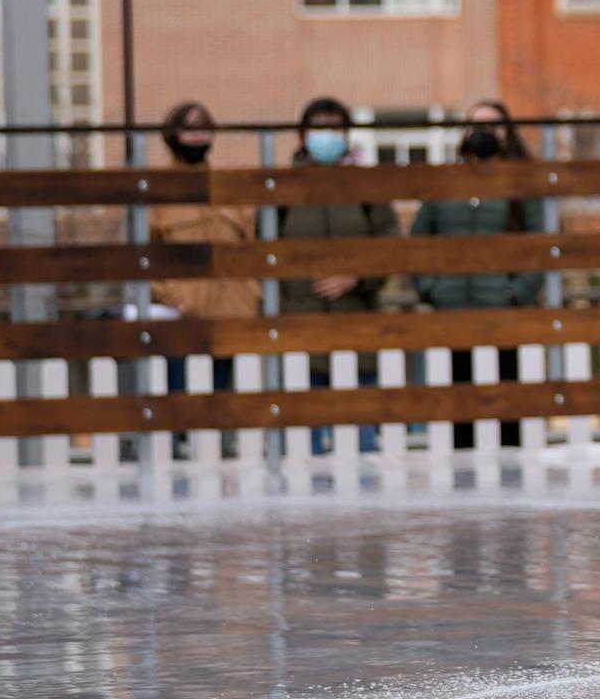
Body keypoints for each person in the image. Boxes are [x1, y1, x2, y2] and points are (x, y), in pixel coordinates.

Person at [408, 101, 544, 449]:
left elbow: (539, 246)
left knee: (508, 399)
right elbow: (418, 241)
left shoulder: (521, 184)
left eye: (492, 125)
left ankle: (512, 471)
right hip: (454, 309)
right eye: (476, 124)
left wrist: (516, 292)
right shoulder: (445, 183)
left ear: (506, 132)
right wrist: (432, 289)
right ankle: (462, 476)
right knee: (460, 403)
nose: (483, 133)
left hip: (503, 310)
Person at [279, 97, 402, 452]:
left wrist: (357, 277)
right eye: (319, 128)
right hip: (301, 330)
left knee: (361, 445)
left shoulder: (366, 187)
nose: (327, 135)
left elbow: (390, 245)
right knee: (306, 447)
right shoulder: (283, 188)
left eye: (335, 127)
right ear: (302, 137)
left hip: (356, 326)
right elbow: (263, 250)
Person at [148, 102, 260, 453]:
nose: (197, 135)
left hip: (232, 307)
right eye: (190, 128)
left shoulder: (230, 187)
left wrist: (252, 292)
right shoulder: (157, 192)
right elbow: (144, 253)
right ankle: (180, 442)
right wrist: (168, 296)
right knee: (180, 386)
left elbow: (252, 244)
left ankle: (223, 440)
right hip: (184, 309)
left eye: (204, 128)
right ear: (172, 135)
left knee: (223, 390)